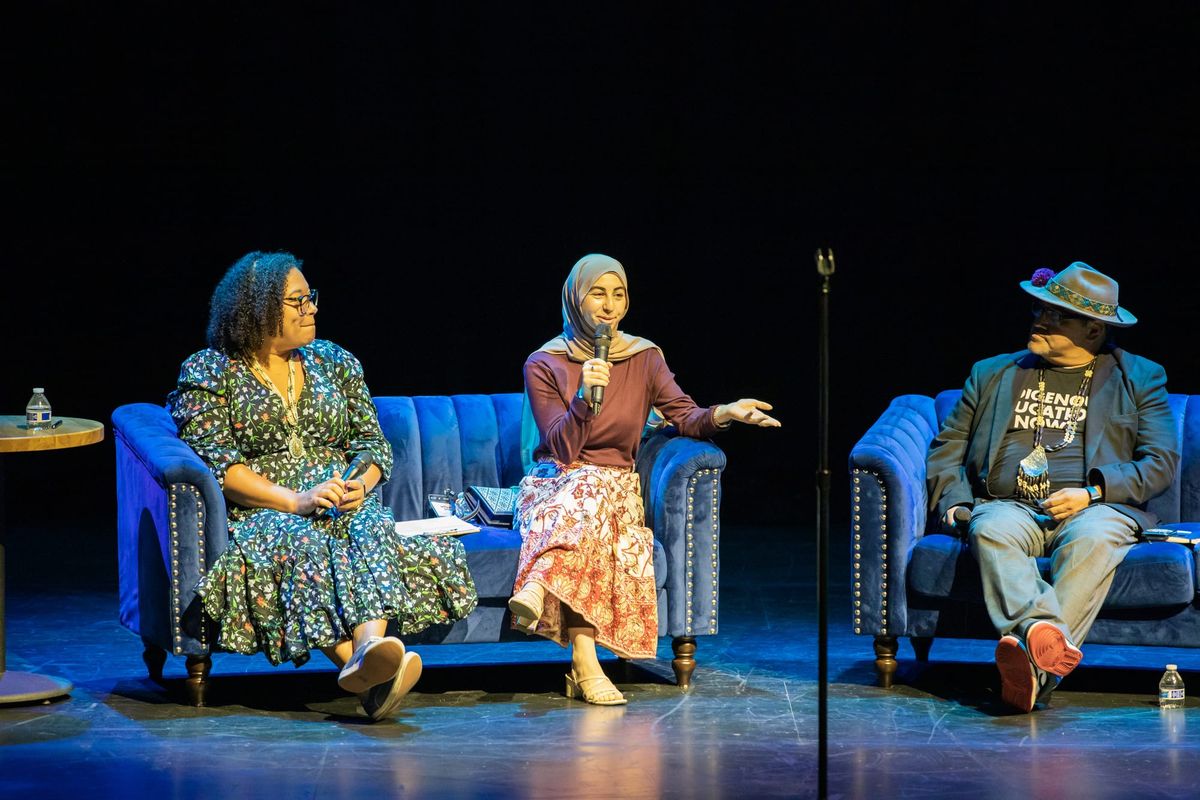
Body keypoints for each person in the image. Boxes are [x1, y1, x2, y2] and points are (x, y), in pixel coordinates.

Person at [167, 251, 478, 721]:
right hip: (265, 509)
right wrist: (296, 500)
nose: (312, 307)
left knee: (369, 520)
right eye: (298, 301)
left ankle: (370, 654)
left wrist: (360, 483)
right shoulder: (210, 371)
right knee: (304, 542)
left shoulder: (334, 361)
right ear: (258, 309)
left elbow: (373, 444)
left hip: (339, 495)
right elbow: (222, 466)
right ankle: (376, 673)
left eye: (311, 298)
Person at [509, 253, 781, 705]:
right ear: (576, 298)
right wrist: (582, 399)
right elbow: (561, 448)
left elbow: (685, 416)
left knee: (598, 490)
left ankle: (541, 579)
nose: (609, 305)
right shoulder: (544, 362)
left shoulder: (644, 357)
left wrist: (724, 413)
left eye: (618, 294)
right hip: (555, 483)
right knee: (587, 489)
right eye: (598, 293)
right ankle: (584, 664)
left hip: (613, 486)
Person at [926, 262, 1179, 713]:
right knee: (991, 529)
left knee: (1095, 539)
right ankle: (1039, 643)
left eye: (1057, 315)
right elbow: (949, 448)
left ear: (1094, 329)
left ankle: (1031, 668)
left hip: (1095, 509)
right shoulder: (992, 373)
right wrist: (956, 507)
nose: (1040, 320)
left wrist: (1092, 494)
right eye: (1039, 309)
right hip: (1007, 505)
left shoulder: (1139, 377)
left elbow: (1160, 463)